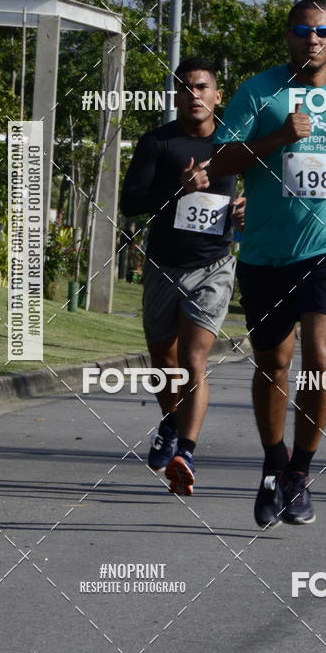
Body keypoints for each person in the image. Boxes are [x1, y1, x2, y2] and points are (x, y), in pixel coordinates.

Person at [210, 0, 326, 527]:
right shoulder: (258, 90)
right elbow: (221, 159)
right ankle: (273, 463)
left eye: (323, 30)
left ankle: (301, 472)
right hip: (267, 253)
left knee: (320, 351)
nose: (312, 39)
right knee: (273, 363)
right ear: (288, 37)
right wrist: (277, 139)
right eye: (302, 30)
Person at [120, 57, 238, 496]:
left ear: (216, 95)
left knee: (193, 361)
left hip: (214, 265)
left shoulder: (233, 143)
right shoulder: (158, 143)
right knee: (164, 363)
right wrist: (179, 191)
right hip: (163, 266)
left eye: (202, 87)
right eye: (186, 88)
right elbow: (131, 202)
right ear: (176, 96)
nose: (194, 95)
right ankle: (170, 423)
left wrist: (246, 208)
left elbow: (265, 190)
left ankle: (185, 452)